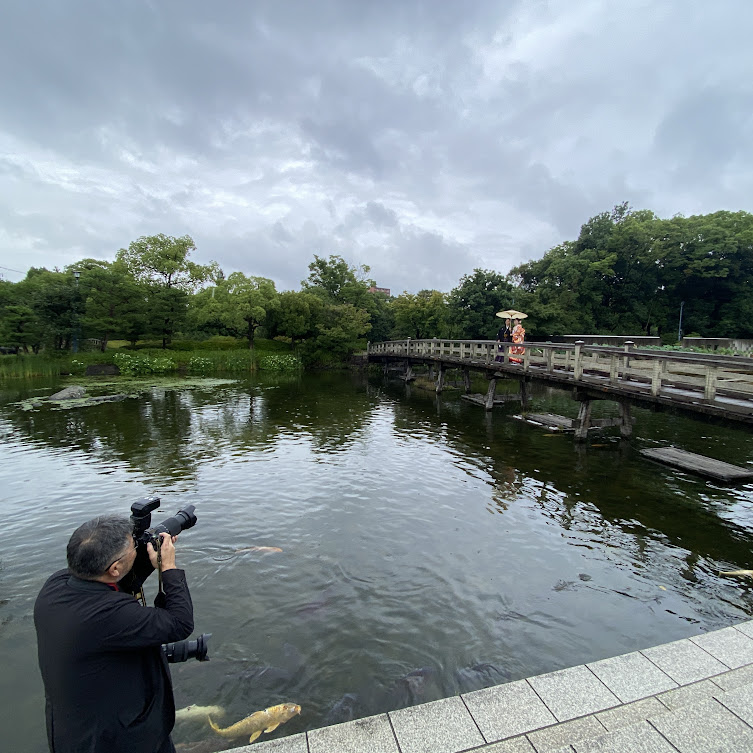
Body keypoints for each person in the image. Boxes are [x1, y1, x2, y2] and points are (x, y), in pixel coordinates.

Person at [34, 515, 194, 753]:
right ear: (114, 568)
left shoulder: (57, 585)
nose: (136, 548)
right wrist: (167, 567)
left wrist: (147, 559)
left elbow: (117, 583)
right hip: (120, 741)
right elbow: (179, 622)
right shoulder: (108, 615)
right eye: (133, 547)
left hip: (80, 731)